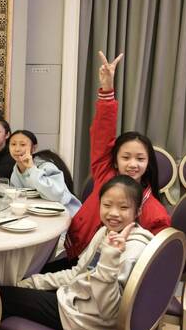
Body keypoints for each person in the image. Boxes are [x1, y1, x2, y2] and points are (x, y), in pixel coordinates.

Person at [0, 175, 154, 330]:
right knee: (15, 287)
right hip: (79, 300)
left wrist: (110, 255)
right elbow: (78, 273)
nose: (113, 213)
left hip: (89, 320)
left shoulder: (133, 250)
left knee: (0, 298)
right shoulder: (105, 232)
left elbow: (109, 312)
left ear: (138, 211)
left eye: (123, 207)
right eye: (107, 205)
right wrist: (31, 283)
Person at [65, 52, 170, 260]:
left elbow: (158, 261)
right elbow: (102, 134)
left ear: (148, 163)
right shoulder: (105, 173)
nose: (133, 164)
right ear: (114, 160)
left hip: (107, 271)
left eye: (140, 159)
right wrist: (107, 89)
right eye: (126, 157)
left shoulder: (155, 213)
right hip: (77, 252)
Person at [8, 130, 81, 217]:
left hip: (65, 213)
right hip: (38, 213)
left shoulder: (46, 166)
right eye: (13, 144)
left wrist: (31, 168)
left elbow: (55, 195)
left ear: (34, 148)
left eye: (23, 145)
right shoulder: (16, 168)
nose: (17, 149)